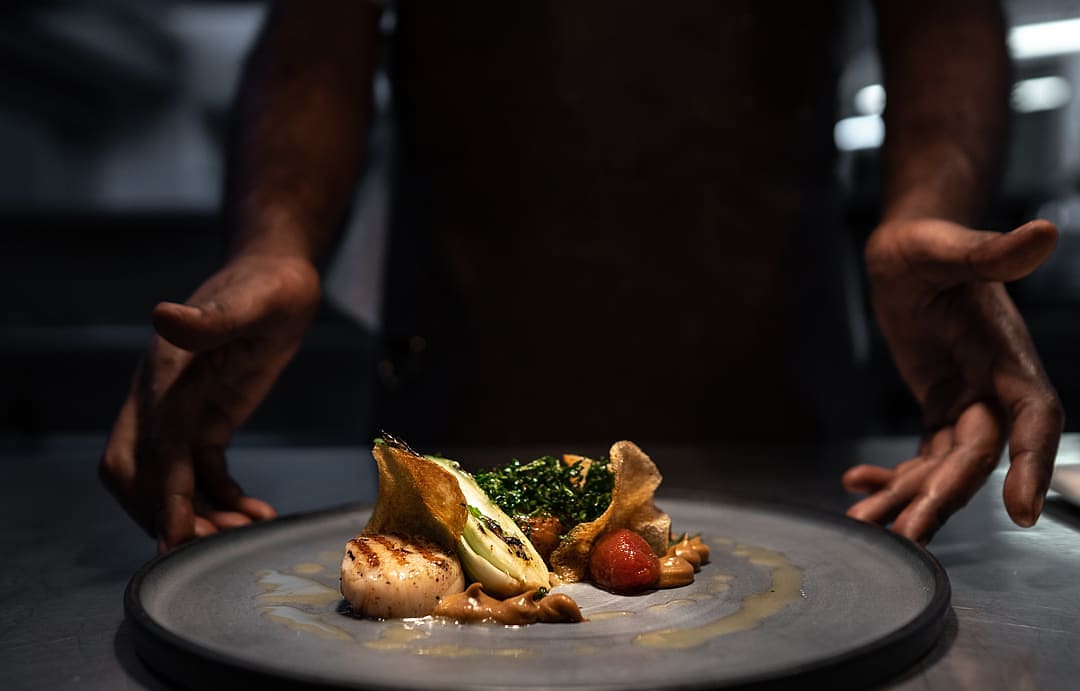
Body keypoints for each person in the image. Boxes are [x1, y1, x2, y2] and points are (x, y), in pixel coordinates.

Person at [99, 0, 1064, 554]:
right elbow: (320, 32)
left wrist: (931, 207)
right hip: (464, 389)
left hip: (778, 390)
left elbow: (940, 9)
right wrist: (275, 237)